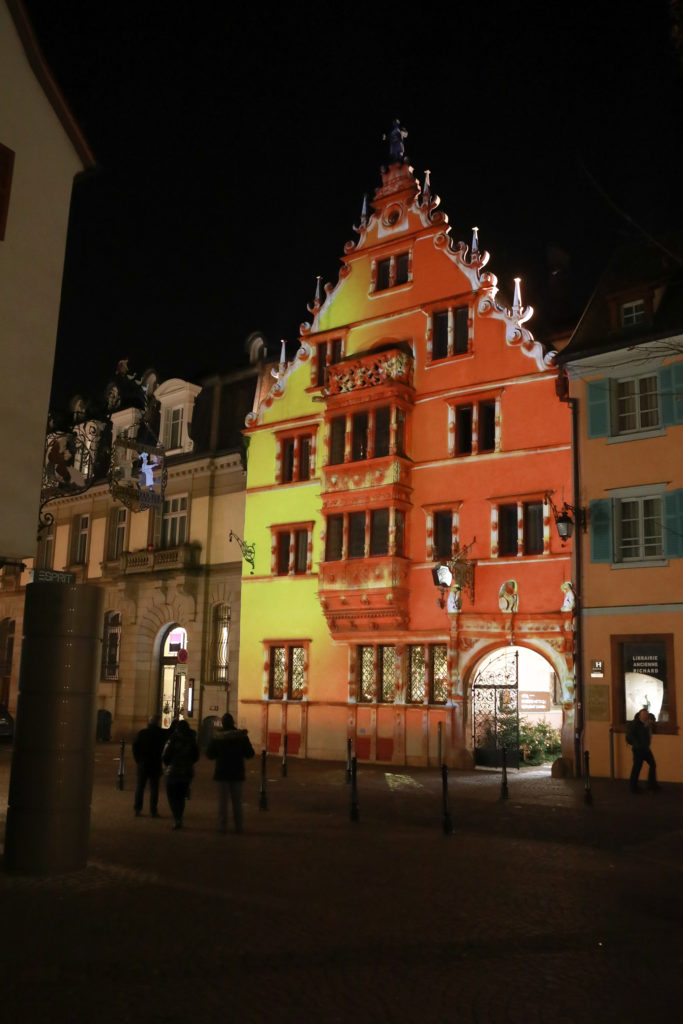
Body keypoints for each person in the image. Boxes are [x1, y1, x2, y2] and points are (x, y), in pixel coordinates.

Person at [206, 713, 255, 833]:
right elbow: (250, 753)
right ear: (233, 723)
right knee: (237, 802)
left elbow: (210, 754)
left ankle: (222, 826)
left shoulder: (218, 737)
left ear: (223, 723)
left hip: (222, 771)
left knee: (223, 802)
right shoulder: (241, 736)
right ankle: (239, 826)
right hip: (237, 772)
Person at [162, 719, 199, 829]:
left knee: (172, 795)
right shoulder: (191, 740)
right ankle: (179, 817)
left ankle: (176, 817)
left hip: (173, 771)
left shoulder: (173, 739)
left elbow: (165, 756)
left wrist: (169, 764)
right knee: (181, 796)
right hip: (187, 771)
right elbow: (196, 756)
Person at [132, 714, 167, 817]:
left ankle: (137, 809)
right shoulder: (161, 734)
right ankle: (153, 810)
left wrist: (138, 760)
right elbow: (164, 750)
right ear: (158, 722)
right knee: (154, 789)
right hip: (155, 764)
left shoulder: (142, 733)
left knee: (140, 787)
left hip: (143, 764)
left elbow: (135, 747)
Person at [626, 707, 661, 793]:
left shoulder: (647, 724)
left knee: (652, 764)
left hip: (645, 749)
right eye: (644, 714)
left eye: (646, 714)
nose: (645, 716)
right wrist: (637, 744)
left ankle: (651, 784)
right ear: (640, 716)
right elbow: (630, 736)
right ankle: (633, 787)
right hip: (638, 750)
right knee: (637, 768)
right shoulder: (635, 724)